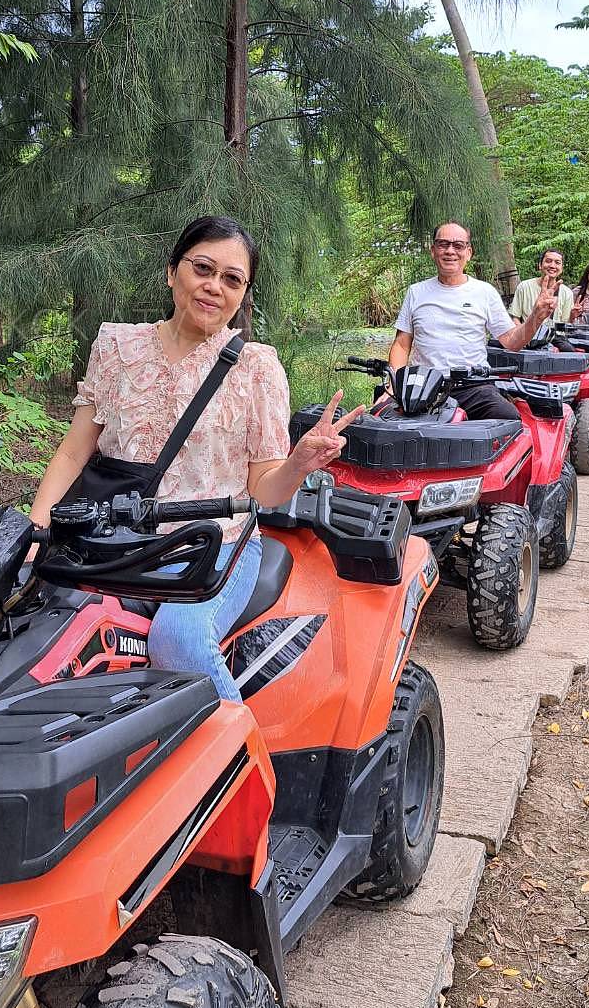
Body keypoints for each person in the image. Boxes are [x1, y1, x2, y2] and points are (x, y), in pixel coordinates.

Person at [28, 215, 366, 702]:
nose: (213, 287)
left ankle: (243, 769)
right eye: (202, 268)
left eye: (232, 279)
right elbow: (73, 450)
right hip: (110, 540)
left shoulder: (256, 367)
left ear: (243, 294)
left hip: (213, 544)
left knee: (178, 640)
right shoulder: (118, 347)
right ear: (172, 272)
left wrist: (298, 464)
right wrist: (35, 531)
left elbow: (262, 489)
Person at [388, 221, 556, 422]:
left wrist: (535, 318)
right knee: (380, 422)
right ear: (433, 250)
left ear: (469, 252)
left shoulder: (484, 292)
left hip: (474, 386)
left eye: (458, 245)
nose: (450, 251)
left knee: (509, 419)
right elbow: (401, 344)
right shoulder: (416, 292)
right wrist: (394, 384)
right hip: (422, 386)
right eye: (443, 244)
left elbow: (512, 341)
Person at [511, 248, 574, 326]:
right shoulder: (524, 287)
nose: (552, 266)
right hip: (528, 335)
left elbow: (565, 324)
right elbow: (515, 318)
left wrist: (573, 315)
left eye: (557, 263)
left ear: (561, 268)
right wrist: (522, 335)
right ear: (540, 265)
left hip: (554, 337)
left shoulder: (567, 293)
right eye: (548, 261)